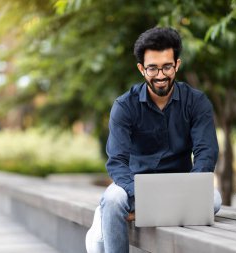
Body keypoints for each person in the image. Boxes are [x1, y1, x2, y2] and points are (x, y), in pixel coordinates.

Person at [86, 27, 222, 253]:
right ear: (141, 69)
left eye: (167, 66)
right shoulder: (124, 106)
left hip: (179, 186)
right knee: (112, 200)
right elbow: (117, 162)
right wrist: (145, 197)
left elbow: (206, 153)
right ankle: (110, 211)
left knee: (214, 200)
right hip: (133, 189)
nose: (160, 75)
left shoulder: (197, 102)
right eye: (152, 68)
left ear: (177, 64)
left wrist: (193, 188)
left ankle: (129, 215)